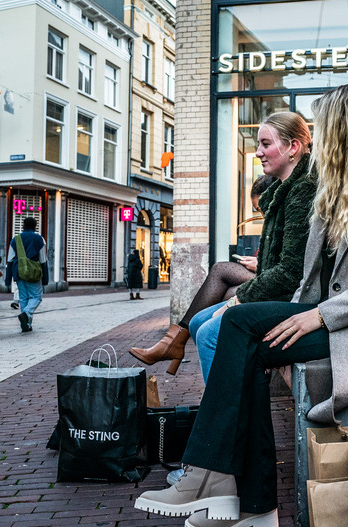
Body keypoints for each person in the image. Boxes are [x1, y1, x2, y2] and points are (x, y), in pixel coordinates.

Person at [134, 83, 348, 527]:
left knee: (243, 332)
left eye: (325, 129)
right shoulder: (343, 186)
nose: (319, 141)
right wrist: (296, 305)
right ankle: (236, 491)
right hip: (332, 312)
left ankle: (222, 481)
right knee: (239, 329)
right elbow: (311, 269)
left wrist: (319, 315)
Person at [131, 116, 313, 377]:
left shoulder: (301, 191)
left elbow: (290, 272)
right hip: (281, 287)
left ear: (293, 147)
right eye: (258, 144)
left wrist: (239, 299)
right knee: (199, 319)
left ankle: (219, 396)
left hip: (295, 297)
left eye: (265, 144)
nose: (258, 152)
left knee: (209, 329)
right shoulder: (285, 191)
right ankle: (181, 350)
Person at [6, 215, 48, 333]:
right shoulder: (39, 239)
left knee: (23, 298)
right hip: (33, 272)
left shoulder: (15, 239)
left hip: (18, 272)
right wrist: (45, 278)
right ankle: (26, 314)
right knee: (36, 297)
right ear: (35, 226)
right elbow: (43, 259)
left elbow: (10, 259)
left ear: (23, 225)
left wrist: (8, 278)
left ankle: (27, 325)